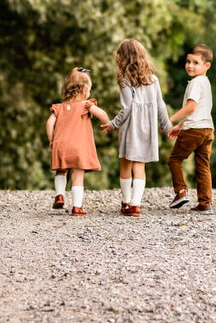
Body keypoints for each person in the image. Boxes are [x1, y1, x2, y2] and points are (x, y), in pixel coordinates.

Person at [102, 39, 172, 217]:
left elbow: (127, 108)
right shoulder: (153, 79)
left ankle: (126, 203)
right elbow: (160, 105)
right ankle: (136, 205)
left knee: (126, 163)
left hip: (131, 127)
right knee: (139, 165)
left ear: (123, 58)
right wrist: (167, 125)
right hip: (147, 126)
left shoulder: (125, 80)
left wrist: (113, 124)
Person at [46, 67, 110, 215]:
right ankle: (76, 207)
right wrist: (108, 124)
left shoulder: (59, 107)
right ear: (84, 89)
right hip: (79, 148)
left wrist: (51, 140)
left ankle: (60, 195)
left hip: (61, 145)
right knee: (77, 176)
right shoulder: (86, 105)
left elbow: (49, 124)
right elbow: (102, 113)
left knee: (61, 171)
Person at [166, 44, 215, 213]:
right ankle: (205, 203)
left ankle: (180, 192)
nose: (190, 66)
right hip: (207, 129)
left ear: (206, 65)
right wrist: (180, 126)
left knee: (175, 160)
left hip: (194, 129)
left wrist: (170, 119)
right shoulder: (205, 82)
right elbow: (200, 109)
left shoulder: (195, 83)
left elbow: (191, 107)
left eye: (195, 62)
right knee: (203, 166)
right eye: (188, 61)